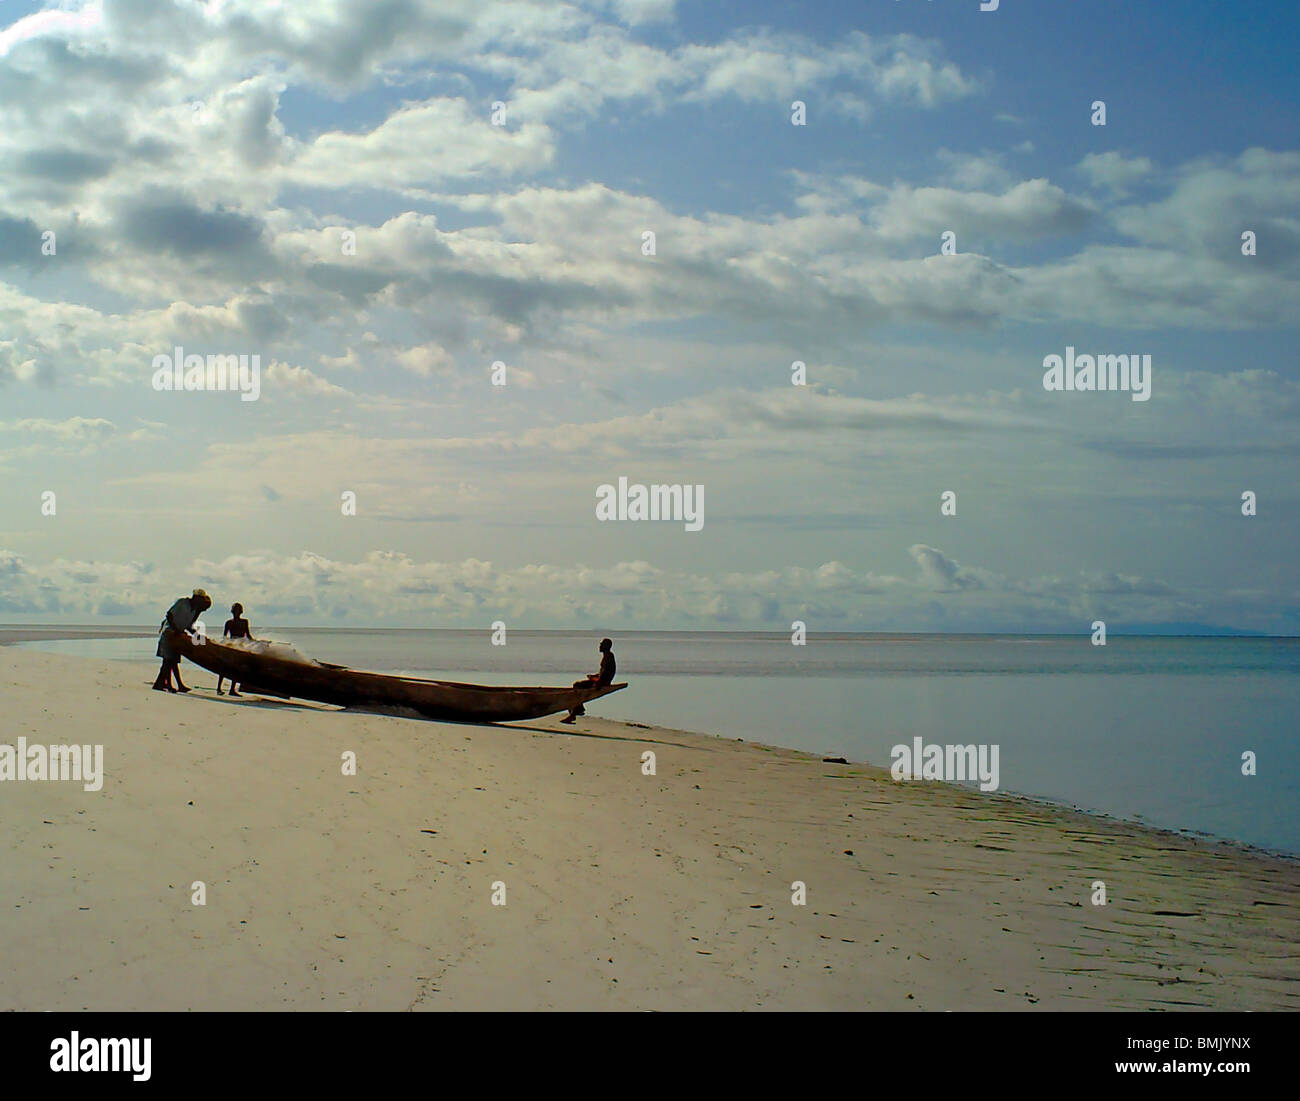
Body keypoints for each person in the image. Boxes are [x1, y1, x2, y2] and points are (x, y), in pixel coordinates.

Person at [152, 588, 212, 693]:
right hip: (169, 632)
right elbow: (169, 615)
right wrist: (176, 629)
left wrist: (197, 636)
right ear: (196, 598)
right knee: (168, 661)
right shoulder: (182, 602)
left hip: (177, 635)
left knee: (171, 661)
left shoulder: (194, 611)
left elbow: (188, 626)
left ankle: (167, 684)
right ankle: (161, 684)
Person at [560, 638, 615, 724]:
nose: (599, 646)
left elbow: (607, 673)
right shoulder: (607, 656)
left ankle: (575, 712)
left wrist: (597, 682)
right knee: (577, 688)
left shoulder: (609, 657)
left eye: (602, 644)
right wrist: (594, 676)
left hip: (601, 683)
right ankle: (576, 711)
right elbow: (603, 672)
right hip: (601, 681)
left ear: (606, 646)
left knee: (577, 686)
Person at [217, 602, 255, 697]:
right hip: (231, 645)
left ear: (241, 612)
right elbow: (225, 636)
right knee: (224, 667)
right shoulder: (229, 623)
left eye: (238, 611)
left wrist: (255, 642)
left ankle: (232, 689)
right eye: (235, 611)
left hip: (241, 645)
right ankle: (219, 688)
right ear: (232, 612)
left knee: (236, 668)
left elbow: (248, 635)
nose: (236, 613)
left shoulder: (244, 622)